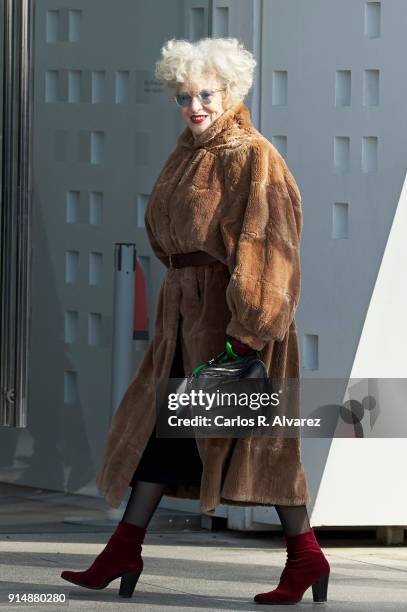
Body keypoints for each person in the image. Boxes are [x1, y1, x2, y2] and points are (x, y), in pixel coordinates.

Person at [60, 37, 330, 605]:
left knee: (261, 445)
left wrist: (248, 331)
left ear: (231, 91)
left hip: (232, 322)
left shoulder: (252, 156)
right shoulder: (188, 152)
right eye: (183, 96)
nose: (194, 106)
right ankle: (124, 547)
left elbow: (271, 248)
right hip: (183, 317)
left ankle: (305, 558)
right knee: (164, 430)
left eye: (206, 94)